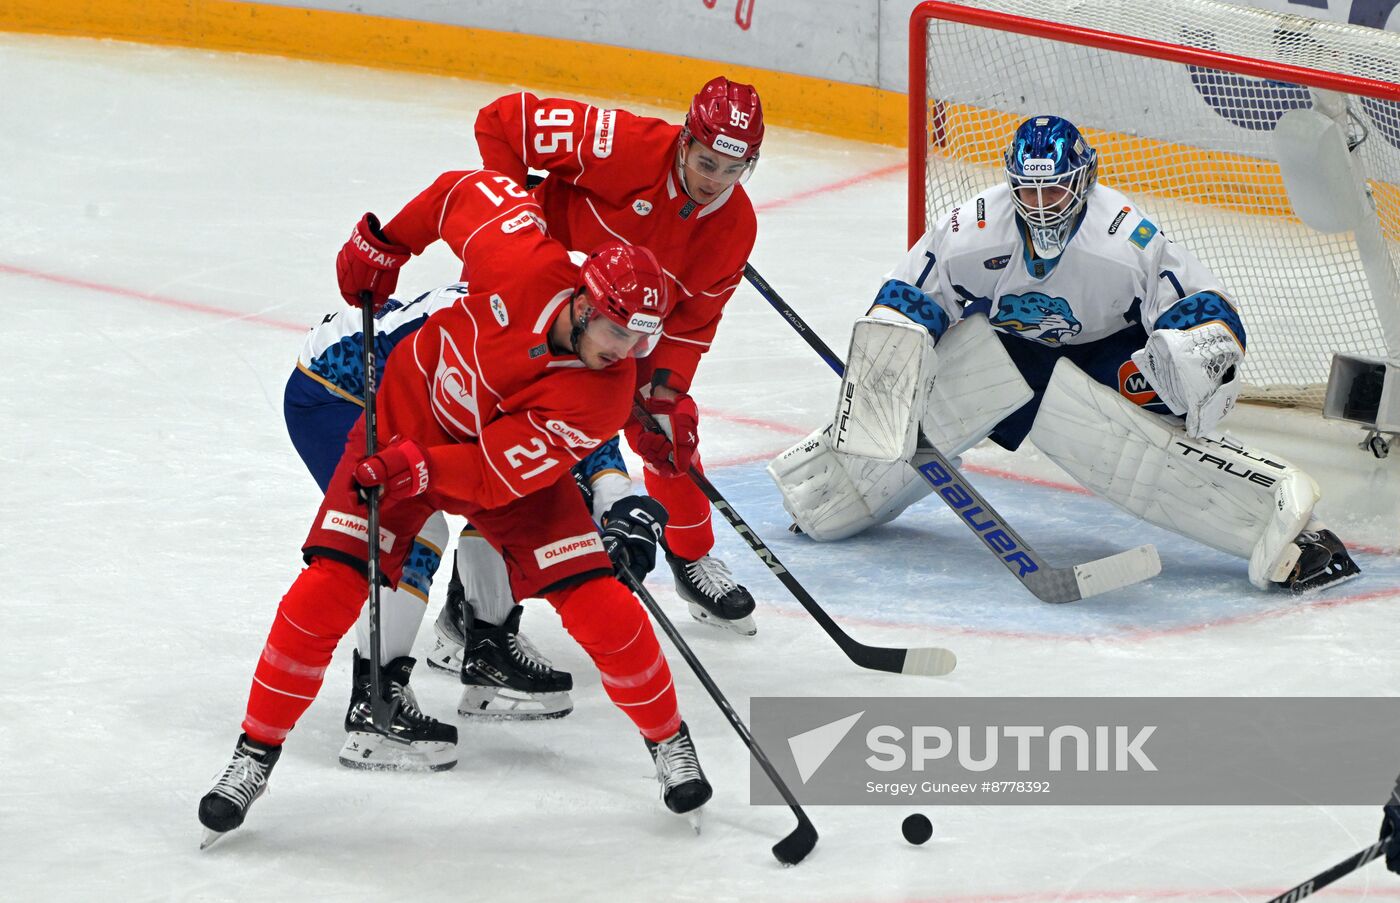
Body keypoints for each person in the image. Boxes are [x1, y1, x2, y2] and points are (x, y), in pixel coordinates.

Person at [197, 169, 709, 848]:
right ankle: (252, 757)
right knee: (329, 584)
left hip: (494, 474)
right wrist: (388, 243)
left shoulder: (603, 394)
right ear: (586, 303)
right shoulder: (520, 254)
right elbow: (460, 191)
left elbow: (495, 477)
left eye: (641, 340)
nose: (625, 353)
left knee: (600, 601)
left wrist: (422, 470)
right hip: (400, 422)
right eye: (618, 331)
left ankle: (668, 742)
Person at [769, 114, 1360, 594]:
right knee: (934, 392)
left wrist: (1191, 358)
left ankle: (1290, 533)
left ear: (1084, 182)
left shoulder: (1124, 237)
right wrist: (891, 363)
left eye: (1055, 187)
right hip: (1007, 347)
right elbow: (908, 298)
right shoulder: (970, 228)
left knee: (1130, 450)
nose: (1041, 201)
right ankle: (830, 496)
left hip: (1110, 352)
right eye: (1028, 187)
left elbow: (1200, 306)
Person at [427, 76, 767, 636]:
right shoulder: (622, 145)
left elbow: (692, 323)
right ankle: (467, 616)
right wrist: (515, 224)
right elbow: (502, 120)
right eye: (708, 163)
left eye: (734, 170)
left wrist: (665, 392)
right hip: (538, 318)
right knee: (534, 459)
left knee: (668, 433)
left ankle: (691, 556)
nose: (717, 182)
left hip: (624, 330)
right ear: (685, 141)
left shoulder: (735, 227)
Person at [285, 288, 643, 768]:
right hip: (336, 396)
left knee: (518, 490)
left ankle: (483, 644)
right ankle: (375, 702)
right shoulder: (494, 327)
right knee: (415, 526)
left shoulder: (557, 330)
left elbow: (571, 427)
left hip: (422, 398)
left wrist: (612, 495)